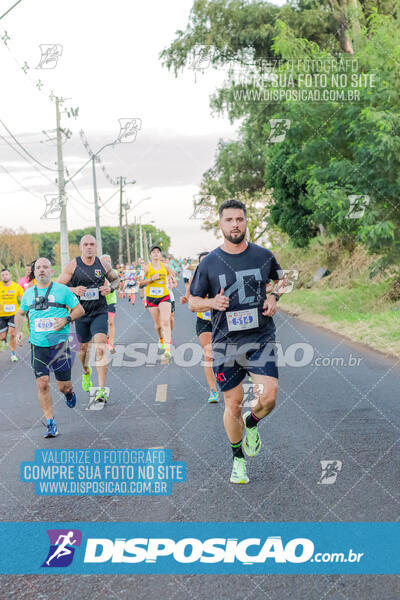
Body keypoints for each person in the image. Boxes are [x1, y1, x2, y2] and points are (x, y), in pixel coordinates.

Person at [189, 199, 284, 484]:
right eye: (229, 220)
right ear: (220, 224)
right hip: (225, 344)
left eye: (239, 219)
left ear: (246, 222)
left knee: (268, 397)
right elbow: (192, 302)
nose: (235, 224)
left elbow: (284, 280)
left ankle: (251, 422)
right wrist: (211, 302)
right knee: (234, 404)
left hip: (260, 337)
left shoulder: (263, 255)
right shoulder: (209, 263)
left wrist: (274, 296)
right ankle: (238, 459)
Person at [15, 257, 84, 437]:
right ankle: (51, 423)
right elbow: (20, 313)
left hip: (59, 345)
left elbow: (79, 310)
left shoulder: (62, 290)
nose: (42, 270)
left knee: (64, 387)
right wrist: (18, 332)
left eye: (45, 267)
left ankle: (69, 393)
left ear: (52, 271)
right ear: (34, 271)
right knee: (42, 384)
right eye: (38, 267)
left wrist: (66, 319)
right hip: (38, 346)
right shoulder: (29, 293)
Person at [57, 235, 120, 404]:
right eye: (86, 244)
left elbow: (116, 281)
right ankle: (86, 373)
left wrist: (110, 288)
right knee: (83, 350)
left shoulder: (103, 264)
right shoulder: (73, 265)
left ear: (96, 247)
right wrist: (74, 289)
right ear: (81, 247)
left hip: (100, 311)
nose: (89, 247)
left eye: (92, 244)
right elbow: (59, 286)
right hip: (81, 314)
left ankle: (101, 390)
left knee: (100, 348)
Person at [181, 252, 219, 404]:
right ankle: (213, 391)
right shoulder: (194, 280)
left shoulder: (221, 279)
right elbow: (190, 299)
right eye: (202, 263)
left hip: (223, 322)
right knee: (209, 354)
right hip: (204, 321)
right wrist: (186, 299)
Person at [139, 245, 177, 358]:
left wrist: (171, 280)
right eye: (153, 252)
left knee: (165, 321)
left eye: (158, 252)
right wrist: (151, 279)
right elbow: (140, 283)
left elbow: (173, 274)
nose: (156, 253)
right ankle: (161, 338)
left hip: (164, 296)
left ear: (160, 255)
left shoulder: (165, 266)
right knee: (158, 325)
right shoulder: (146, 267)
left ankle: (167, 350)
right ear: (150, 255)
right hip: (151, 298)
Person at [0, 268, 24, 362]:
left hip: (13, 314)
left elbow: (22, 298)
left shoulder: (16, 287)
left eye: (6, 274)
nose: (4, 276)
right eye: (2, 275)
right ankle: (4, 338)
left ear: (10, 276)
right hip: (1, 315)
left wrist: (24, 308)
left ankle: (13, 354)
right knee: (2, 336)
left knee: (13, 333)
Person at [101, 255, 117, 354]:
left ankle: (111, 344)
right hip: (100, 302)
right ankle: (106, 339)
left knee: (111, 322)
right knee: (102, 324)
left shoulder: (113, 272)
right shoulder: (97, 273)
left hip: (111, 300)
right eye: (105, 261)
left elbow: (118, 283)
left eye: (109, 261)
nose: (107, 263)